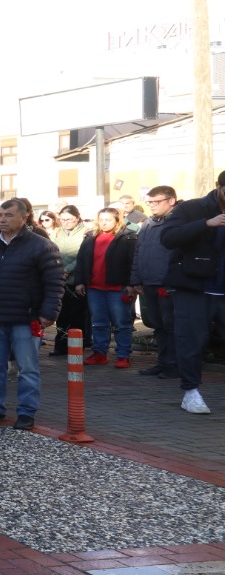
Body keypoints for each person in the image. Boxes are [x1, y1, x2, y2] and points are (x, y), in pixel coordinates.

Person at [0, 198, 64, 431]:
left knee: (27, 368)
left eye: (8, 215)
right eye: (0, 215)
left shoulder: (41, 245)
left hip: (26, 318)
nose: (2, 219)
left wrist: (49, 312)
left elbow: (55, 281)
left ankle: (27, 412)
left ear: (24, 217)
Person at [159, 171, 225, 414]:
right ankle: (191, 392)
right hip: (195, 287)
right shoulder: (194, 208)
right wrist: (207, 224)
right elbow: (168, 238)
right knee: (191, 340)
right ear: (219, 186)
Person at [74, 207, 138, 367]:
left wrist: (131, 283)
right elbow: (81, 260)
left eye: (108, 219)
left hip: (118, 288)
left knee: (121, 323)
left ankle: (123, 355)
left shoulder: (127, 237)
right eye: (101, 219)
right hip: (95, 287)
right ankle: (100, 353)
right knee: (98, 322)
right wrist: (80, 281)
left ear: (117, 221)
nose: (104, 223)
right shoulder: (90, 237)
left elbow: (133, 262)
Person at [134, 185, 178, 379]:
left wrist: (170, 280)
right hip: (149, 281)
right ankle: (163, 362)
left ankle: (174, 365)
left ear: (171, 201)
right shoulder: (147, 224)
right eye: (149, 202)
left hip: (168, 283)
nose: (152, 205)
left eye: (156, 202)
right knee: (158, 325)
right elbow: (138, 252)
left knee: (172, 326)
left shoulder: (177, 223)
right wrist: (136, 279)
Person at [50, 206, 88, 355]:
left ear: (77, 218)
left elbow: (83, 256)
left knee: (77, 317)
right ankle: (60, 347)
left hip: (76, 282)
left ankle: (76, 347)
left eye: (69, 219)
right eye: (62, 219)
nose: (65, 222)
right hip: (59, 281)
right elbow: (50, 251)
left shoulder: (86, 233)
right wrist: (57, 268)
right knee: (61, 316)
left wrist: (68, 269)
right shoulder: (57, 232)